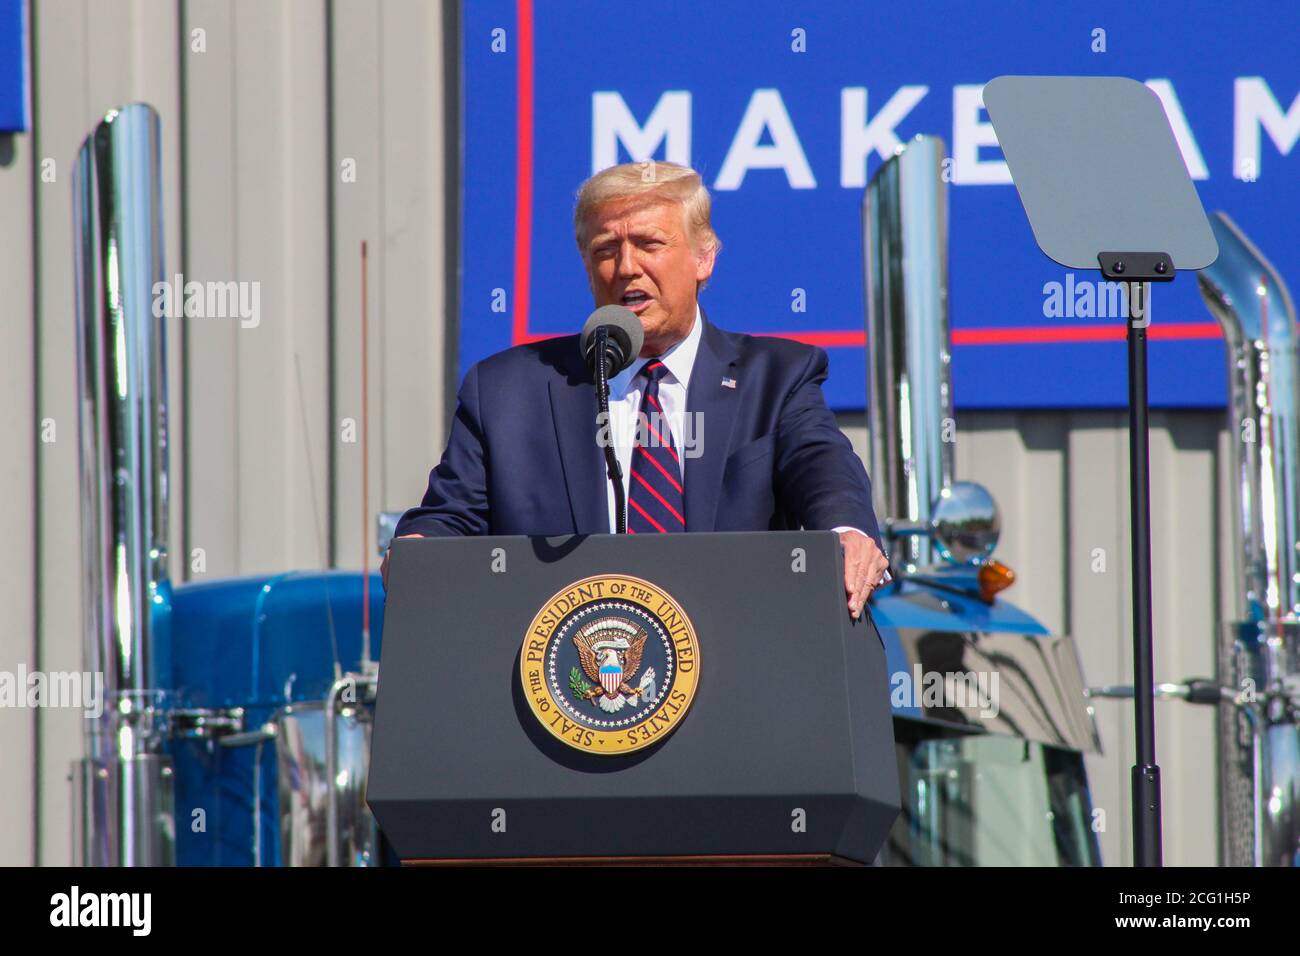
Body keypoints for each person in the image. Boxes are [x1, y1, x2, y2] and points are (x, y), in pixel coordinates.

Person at [385, 161, 889, 618]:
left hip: (738, 668)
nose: (626, 267)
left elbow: (823, 469)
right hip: (562, 681)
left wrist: (847, 534)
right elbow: (450, 518)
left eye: (649, 244)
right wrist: (419, 550)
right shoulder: (506, 390)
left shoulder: (775, 376)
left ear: (704, 259)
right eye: (606, 250)